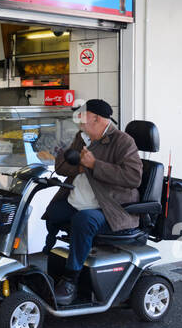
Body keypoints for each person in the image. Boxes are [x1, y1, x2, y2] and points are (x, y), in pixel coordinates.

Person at [43, 99, 142, 305]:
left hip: (110, 209)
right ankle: (50, 256)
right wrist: (80, 168)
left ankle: (70, 280)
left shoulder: (123, 142)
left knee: (84, 220)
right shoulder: (83, 138)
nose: (79, 122)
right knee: (54, 211)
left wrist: (95, 165)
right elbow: (62, 167)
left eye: (83, 117)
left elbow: (133, 178)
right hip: (79, 200)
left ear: (96, 119)